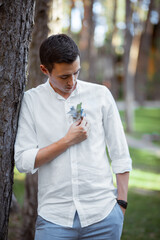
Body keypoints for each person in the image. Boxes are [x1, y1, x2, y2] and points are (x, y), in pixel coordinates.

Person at [14, 34, 132, 240]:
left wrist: (121, 205)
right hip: (54, 219)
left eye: (76, 73)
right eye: (64, 77)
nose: (72, 82)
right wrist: (67, 140)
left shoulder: (101, 95)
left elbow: (120, 153)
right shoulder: (31, 101)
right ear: (45, 70)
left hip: (103, 216)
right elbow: (23, 162)